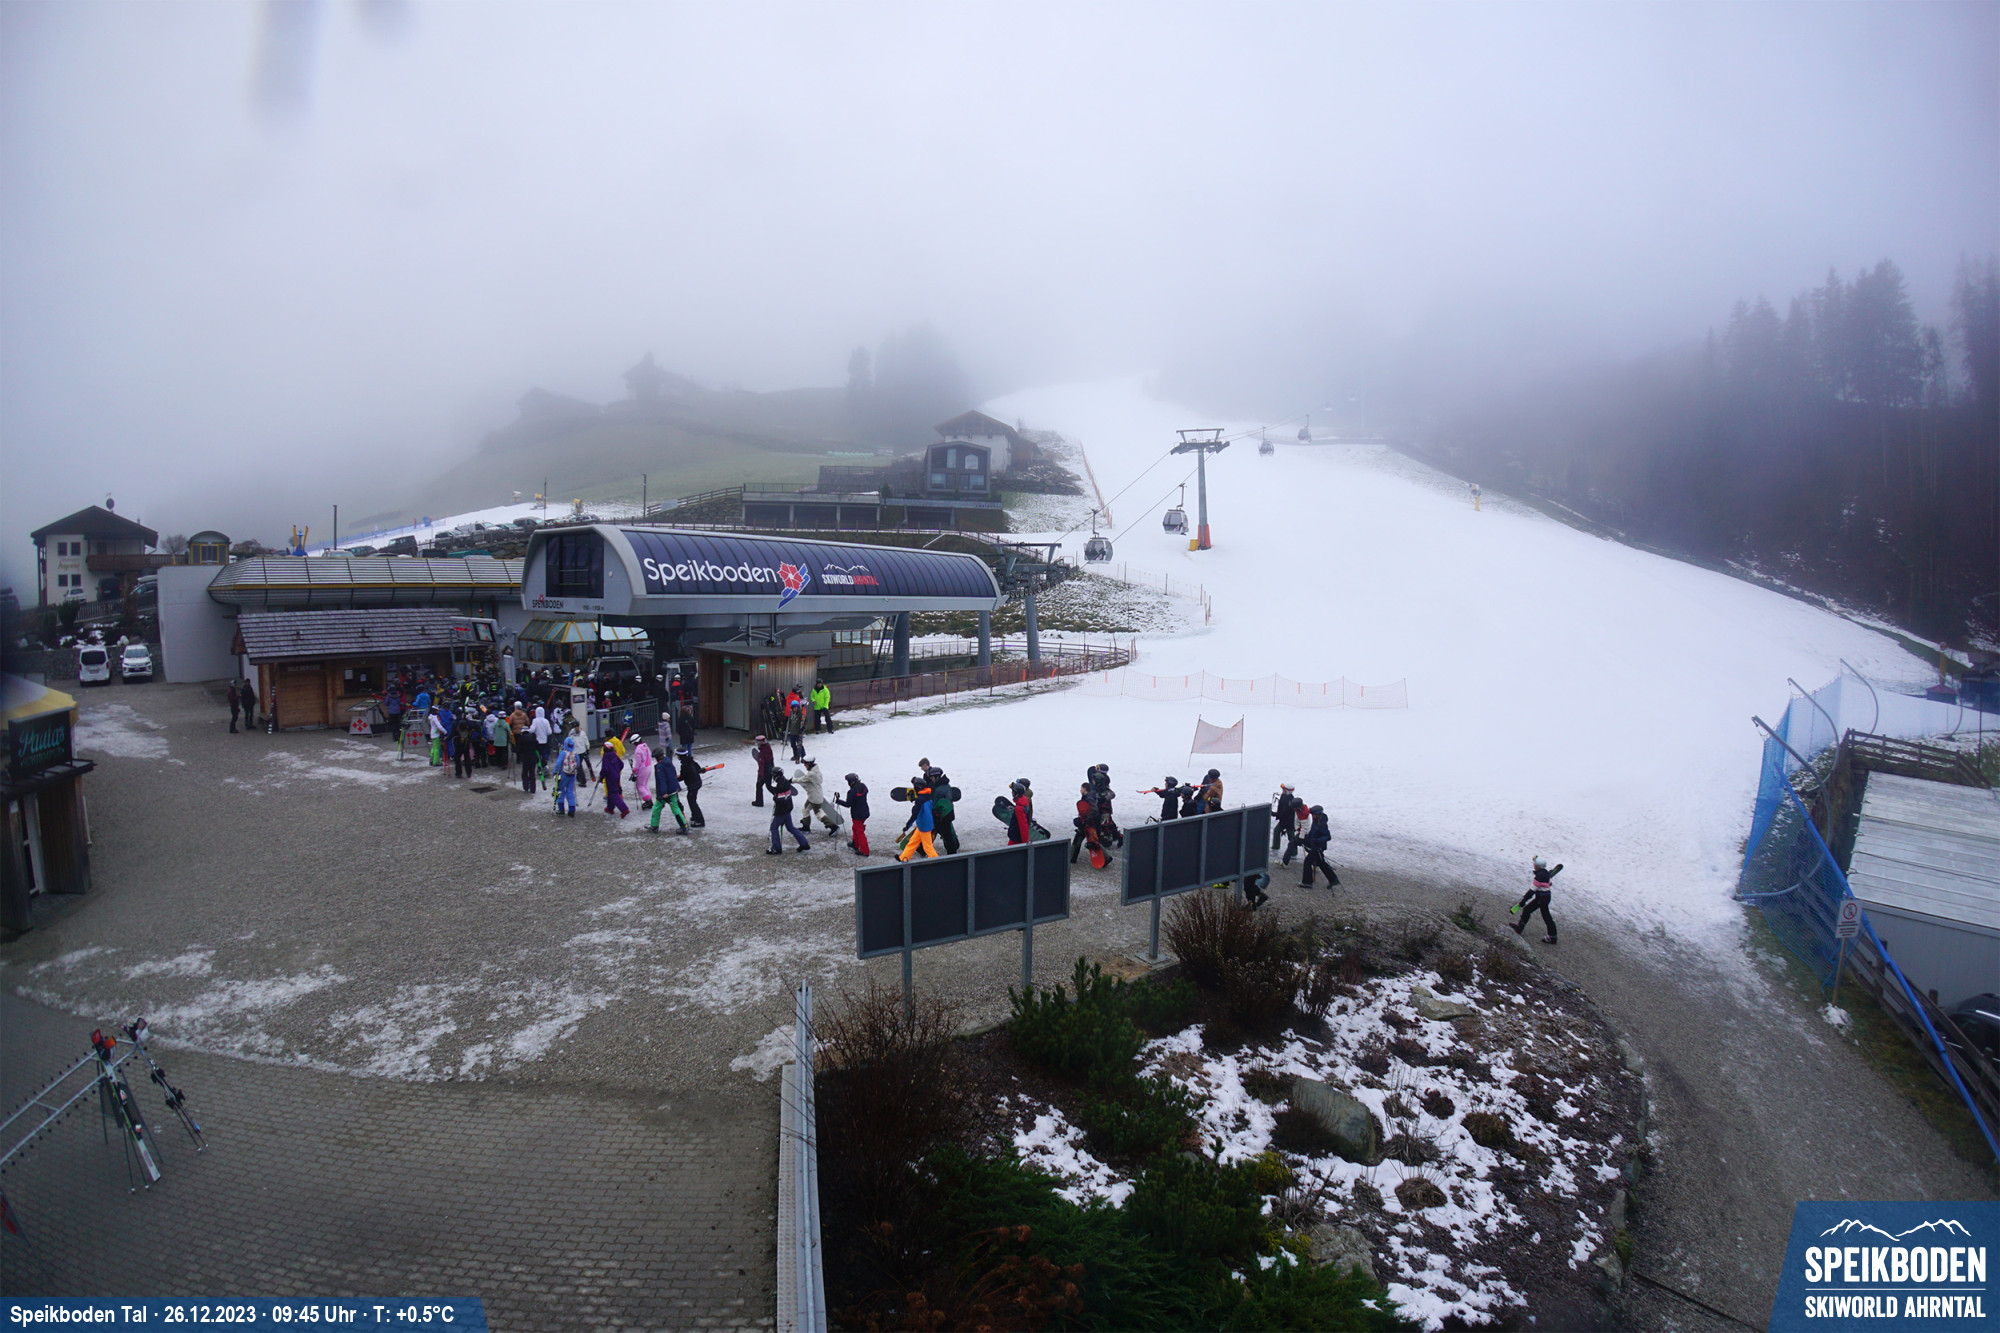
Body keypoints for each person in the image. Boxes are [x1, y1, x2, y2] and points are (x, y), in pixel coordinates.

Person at [1512, 857, 1562, 944]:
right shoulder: (1545, 874)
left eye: (1535, 864)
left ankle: (1552, 937)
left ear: (1537, 866)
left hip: (1542, 899)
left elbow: (1531, 891)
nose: (1533, 864)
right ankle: (1519, 928)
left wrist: (1523, 901)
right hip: (1544, 897)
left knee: (1546, 916)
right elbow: (1548, 883)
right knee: (1527, 910)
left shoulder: (1539, 877)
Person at [793, 757, 843, 834]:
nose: (804, 765)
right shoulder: (816, 770)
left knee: (818, 813)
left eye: (805, 764)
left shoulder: (812, 774)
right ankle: (806, 826)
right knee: (805, 809)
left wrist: (791, 780)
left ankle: (833, 826)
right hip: (813, 796)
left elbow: (801, 779)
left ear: (809, 764)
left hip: (815, 798)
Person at [766, 771, 809, 853]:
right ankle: (804, 843)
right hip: (787, 810)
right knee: (791, 828)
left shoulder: (781, 786)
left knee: (774, 828)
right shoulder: (785, 782)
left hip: (781, 812)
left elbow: (780, 799)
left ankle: (776, 848)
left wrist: (775, 798)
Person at [649, 748, 688, 834]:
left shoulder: (659, 766)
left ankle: (654, 826)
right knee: (675, 808)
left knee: (657, 808)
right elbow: (674, 773)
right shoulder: (668, 761)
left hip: (665, 792)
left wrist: (664, 792)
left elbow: (662, 780)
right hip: (673, 789)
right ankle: (684, 825)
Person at [897, 778, 938, 861]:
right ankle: (903, 858)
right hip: (925, 824)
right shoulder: (928, 795)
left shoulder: (920, 800)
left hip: (924, 825)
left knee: (928, 846)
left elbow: (915, 814)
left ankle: (936, 861)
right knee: (913, 842)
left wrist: (907, 826)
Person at [1300, 805, 1339, 889]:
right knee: (1321, 864)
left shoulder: (1322, 824)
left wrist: (1317, 840)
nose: (1312, 816)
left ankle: (1307, 882)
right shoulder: (1316, 821)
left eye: (1313, 814)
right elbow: (1312, 832)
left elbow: (1328, 837)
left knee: (1308, 862)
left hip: (1318, 847)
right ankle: (1333, 879)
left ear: (1318, 814)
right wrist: (1307, 839)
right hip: (1315, 846)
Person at [677, 747, 716, 828]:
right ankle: (695, 816)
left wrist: (675, 778)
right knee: (691, 799)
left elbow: (683, 776)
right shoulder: (691, 761)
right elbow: (698, 769)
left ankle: (700, 821)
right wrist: (702, 770)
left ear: (680, 756)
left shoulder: (684, 765)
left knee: (692, 801)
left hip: (693, 785)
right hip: (697, 782)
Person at [554, 732, 588, 816]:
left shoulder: (563, 753)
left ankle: (561, 809)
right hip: (572, 775)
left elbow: (558, 764)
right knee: (570, 791)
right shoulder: (575, 754)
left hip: (563, 774)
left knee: (561, 790)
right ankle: (572, 809)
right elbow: (578, 764)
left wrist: (555, 772)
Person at [836, 773, 870, 855]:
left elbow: (848, 804)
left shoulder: (852, 791)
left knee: (859, 831)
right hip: (865, 811)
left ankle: (865, 851)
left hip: (857, 814)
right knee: (855, 828)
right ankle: (855, 844)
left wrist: (838, 801)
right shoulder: (863, 786)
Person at [600, 736, 630, 817]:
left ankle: (624, 809)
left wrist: (601, 777)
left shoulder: (605, 756)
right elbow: (621, 764)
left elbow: (605, 769)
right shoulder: (614, 754)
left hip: (609, 777)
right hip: (616, 776)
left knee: (613, 794)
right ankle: (610, 808)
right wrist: (616, 771)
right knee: (611, 793)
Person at [1272, 784, 1301, 850]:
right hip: (1284, 821)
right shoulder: (1283, 796)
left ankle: (1293, 851)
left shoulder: (1290, 801)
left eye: (1284, 789)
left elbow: (1284, 813)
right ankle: (1275, 847)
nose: (1282, 790)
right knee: (1277, 831)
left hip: (1289, 822)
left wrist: (1274, 814)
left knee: (1291, 837)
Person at [1006, 779, 1035, 845]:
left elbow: (1023, 825)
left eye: (1012, 791)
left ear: (1016, 794)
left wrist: (1025, 842)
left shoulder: (1019, 808)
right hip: (1016, 836)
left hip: (1016, 838)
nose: (1011, 793)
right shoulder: (1023, 801)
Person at [630, 736, 655, 810]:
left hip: (642, 769)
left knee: (639, 786)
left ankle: (648, 800)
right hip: (648, 767)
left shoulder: (638, 749)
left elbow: (638, 762)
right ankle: (649, 799)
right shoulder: (645, 746)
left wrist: (634, 770)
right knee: (644, 785)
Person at [751, 734, 774, 807]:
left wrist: (761, 774)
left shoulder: (763, 751)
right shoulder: (767, 748)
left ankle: (759, 801)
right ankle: (780, 796)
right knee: (767, 786)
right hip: (768, 770)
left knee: (761, 785)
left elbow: (762, 764)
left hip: (765, 772)